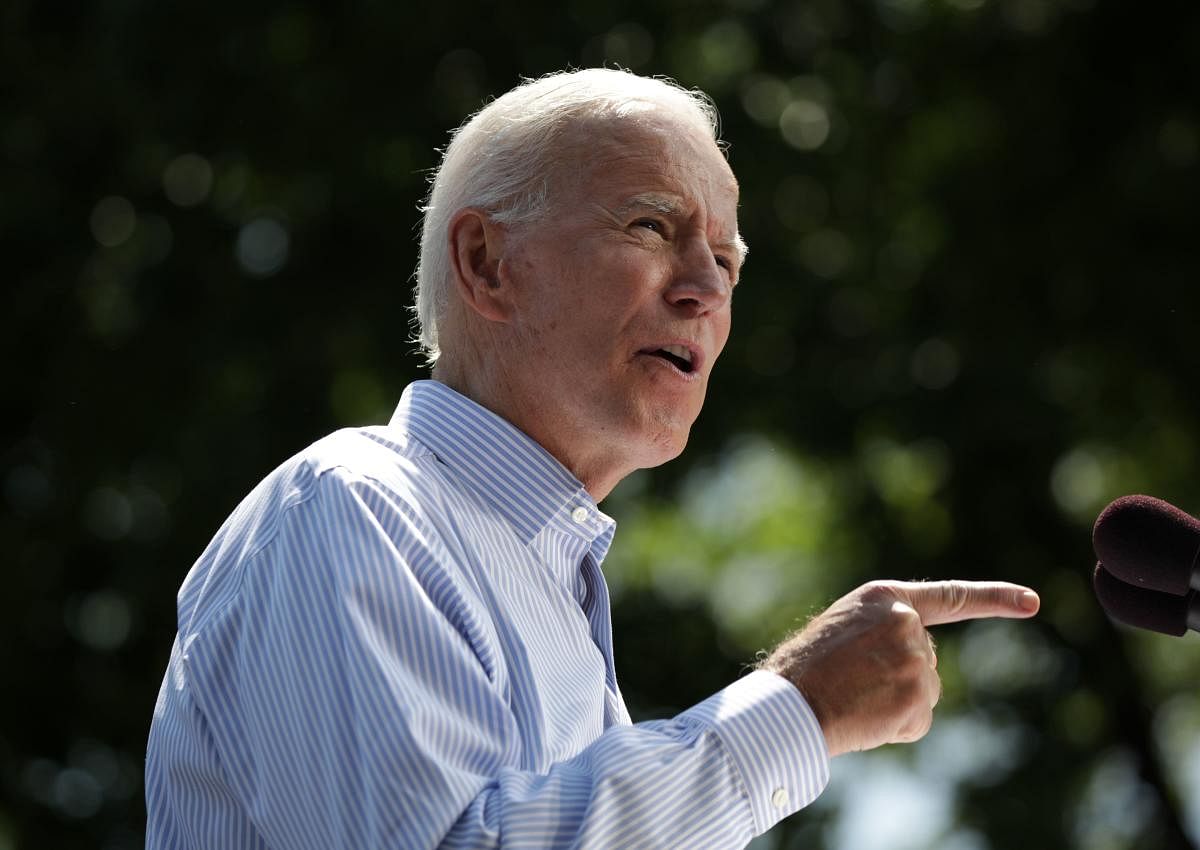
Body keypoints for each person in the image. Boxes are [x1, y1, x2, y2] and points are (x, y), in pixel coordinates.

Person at [144, 68, 1040, 849]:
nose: (705, 289)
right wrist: (796, 709)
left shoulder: (548, 584)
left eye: (727, 260)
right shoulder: (352, 507)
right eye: (652, 226)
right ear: (487, 262)